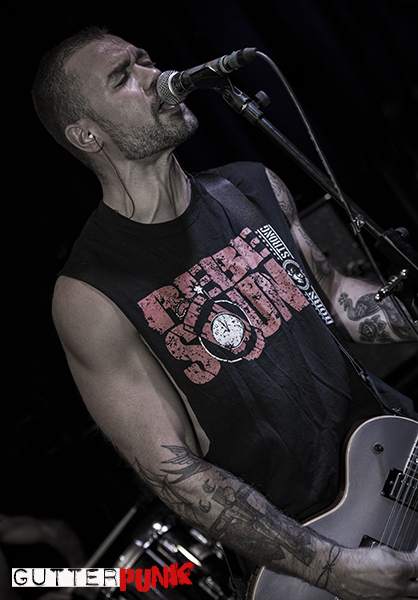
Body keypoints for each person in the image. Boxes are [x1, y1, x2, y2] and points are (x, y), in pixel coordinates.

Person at [32, 26, 418, 599]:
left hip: (397, 463)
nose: (155, 77)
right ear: (87, 133)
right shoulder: (91, 291)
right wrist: (333, 568)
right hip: (314, 549)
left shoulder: (251, 186)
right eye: (123, 77)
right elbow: (174, 471)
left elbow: (337, 298)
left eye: (145, 59)